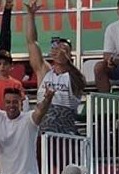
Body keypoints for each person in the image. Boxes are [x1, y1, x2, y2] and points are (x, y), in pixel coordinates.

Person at [24, 2, 85, 135]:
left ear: (69, 54)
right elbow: (31, 42)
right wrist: (30, 16)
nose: (59, 52)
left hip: (65, 129)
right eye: (57, 49)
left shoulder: (74, 75)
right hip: (44, 126)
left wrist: (66, 62)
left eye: (64, 50)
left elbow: (81, 83)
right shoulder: (44, 70)